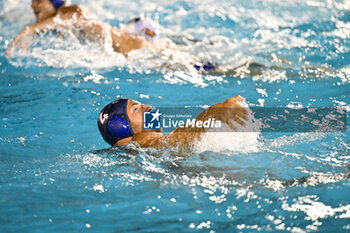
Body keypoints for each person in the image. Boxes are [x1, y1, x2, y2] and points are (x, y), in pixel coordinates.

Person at [5, 0, 154, 56]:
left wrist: (30, 29)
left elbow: (78, 14)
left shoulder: (68, 11)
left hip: (140, 50)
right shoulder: (55, 22)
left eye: (38, 0)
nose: (32, 5)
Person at [97, 96, 248, 150]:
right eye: (136, 108)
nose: (148, 107)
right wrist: (212, 115)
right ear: (119, 127)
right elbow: (175, 141)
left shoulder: (134, 150)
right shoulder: (139, 140)